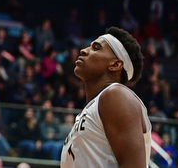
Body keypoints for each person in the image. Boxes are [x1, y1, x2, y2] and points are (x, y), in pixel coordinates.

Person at [60, 26, 152, 168]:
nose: (83, 50)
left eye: (96, 48)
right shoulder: (96, 105)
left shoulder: (116, 95)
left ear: (115, 64)